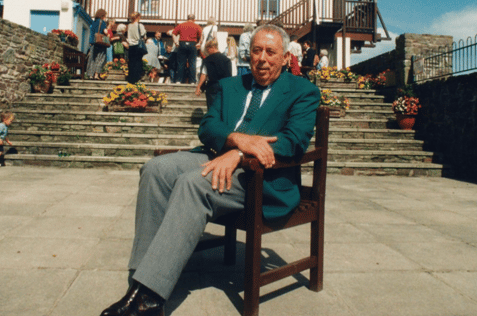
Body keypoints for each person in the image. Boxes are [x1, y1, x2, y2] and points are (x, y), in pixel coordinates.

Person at [99, 24, 320, 316]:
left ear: (283, 58)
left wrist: (240, 154)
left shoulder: (303, 90)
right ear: (248, 53)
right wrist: (235, 140)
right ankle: (140, 280)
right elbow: (208, 127)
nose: (262, 58)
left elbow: (294, 142)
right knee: (155, 170)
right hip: (216, 153)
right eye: (256, 50)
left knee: (195, 183)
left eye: (270, 52)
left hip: (262, 176)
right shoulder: (230, 86)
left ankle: (149, 299)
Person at [195, 38, 232, 108]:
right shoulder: (227, 60)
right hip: (224, 87)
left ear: (212, 47)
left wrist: (199, 86)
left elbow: (204, 74)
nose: (207, 51)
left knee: (212, 109)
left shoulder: (207, 60)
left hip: (212, 87)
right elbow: (230, 76)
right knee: (223, 109)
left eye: (207, 49)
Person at [172, 14, 202, 84]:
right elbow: (201, 35)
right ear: (194, 19)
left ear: (187, 18)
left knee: (181, 63)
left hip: (182, 43)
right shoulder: (197, 26)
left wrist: (176, 42)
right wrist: (199, 43)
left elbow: (173, 33)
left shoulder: (181, 25)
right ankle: (192, 81)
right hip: (192, 44)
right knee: (192, 63)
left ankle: (179, 80)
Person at [87, 9, 109, 80]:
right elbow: (105, 32)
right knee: (101, 58)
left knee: (92, 58)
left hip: (93, 42)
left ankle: (90, 75)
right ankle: (96, 75)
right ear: (103, 15)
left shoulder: (93, 22)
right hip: (100, 43)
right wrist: (108, 33)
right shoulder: (102, 23)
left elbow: (92, 32)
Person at [127, 12, 147, 84]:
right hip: (138, 45)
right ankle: (137, 77)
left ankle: (131, 78)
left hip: (131, 45)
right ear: (138, 17)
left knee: (132, 62)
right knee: (138, 61)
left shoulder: (129, 25)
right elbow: (143, 34)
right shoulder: (140, 25)